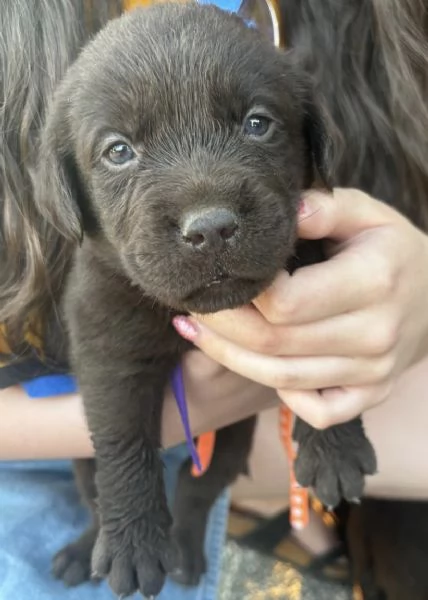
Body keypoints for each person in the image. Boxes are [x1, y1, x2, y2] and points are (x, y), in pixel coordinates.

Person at [1, 0, 428, 597]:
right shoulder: (102, 277)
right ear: (66, 191)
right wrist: (127, 515)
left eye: (256, 124)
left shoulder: (348, 44)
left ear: (314, 139)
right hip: (57, 440)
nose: (206, 218)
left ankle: (211, 519)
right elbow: (112, 391)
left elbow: (339, 316)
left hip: (304, 432)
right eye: (118, 152)